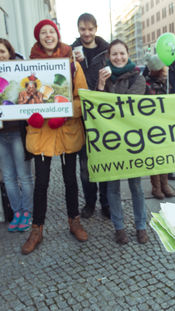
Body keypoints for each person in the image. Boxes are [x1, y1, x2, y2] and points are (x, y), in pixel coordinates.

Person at [21, 19, 89, 255]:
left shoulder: (72, 64)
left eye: (51, 31)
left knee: (71, 180)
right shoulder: (29, 67)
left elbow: (83, 97)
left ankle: (74, 220)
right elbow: (24, 99)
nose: (48, 35)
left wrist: (66, 112)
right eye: (43, 32)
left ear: (57, 35)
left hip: (66, 130)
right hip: (41, 133)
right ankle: (37, 229)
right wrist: (32, 116)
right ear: (38, 37)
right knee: (41, 184)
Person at [96, 39, 148, 244]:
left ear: (128, 55)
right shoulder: (104, 78)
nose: (118, 57)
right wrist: (100, 85)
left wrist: (109, 92)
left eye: (122, 53)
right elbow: (98, 108)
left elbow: (126, 106)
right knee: (113, 187)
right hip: (111, 142)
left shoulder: (138, 78)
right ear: (109, 57)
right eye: (114, 54)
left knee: (136, 186)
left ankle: (140, 226)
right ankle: (119, 227)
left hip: (132, 141)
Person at [71, 13, 110, 219]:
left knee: (103, 160)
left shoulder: (106, 50)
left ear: (96, 29)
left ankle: (106, 202)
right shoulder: (71, 51)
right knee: (85, 163)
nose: (86, 33)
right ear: (78, 29)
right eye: (82, 29)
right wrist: (75, 64)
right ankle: (90, 203)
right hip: (82, 116)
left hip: (103, 115)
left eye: (90, 29)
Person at [0, 38, 33, 232]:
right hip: (1, 135)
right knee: (8, 177)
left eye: (2, 51)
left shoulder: (20, 71)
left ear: (10, 53)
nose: (0, 56)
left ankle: (27, 212)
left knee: (24, 176)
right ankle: (17, 212)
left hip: (18, 132)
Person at [144, 54, 175, 200]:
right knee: (154, 157)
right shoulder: (146, 84)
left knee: (165, 156)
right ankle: (156, 187)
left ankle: (165, 184)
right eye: (162, 67)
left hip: (164, 125)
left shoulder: (165, 83)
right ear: (156, 68)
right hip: (151, 126)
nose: (166, 69)